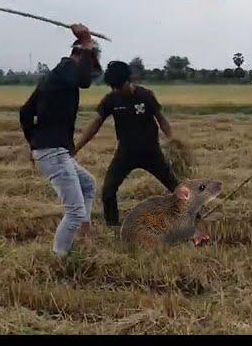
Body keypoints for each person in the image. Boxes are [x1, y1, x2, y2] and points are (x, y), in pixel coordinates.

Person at [19, 24, 101, 258]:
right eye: (91, 63)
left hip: (53, 149)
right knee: (74, 211)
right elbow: (84, 80)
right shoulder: (67, 69)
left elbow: (25, 111)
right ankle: (58, 258)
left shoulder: (57, 76)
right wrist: (87, 41)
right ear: (81, 56)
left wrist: (33, 142)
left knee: (88, 184)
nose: (92, 72)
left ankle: (84, 234)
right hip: (52, 151)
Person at [75, 61, 179, 227]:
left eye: (118, 86)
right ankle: (114, 229)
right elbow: (95, 125)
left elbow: (161, 120)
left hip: (151, 152)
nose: (116, 90)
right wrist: (76, 147)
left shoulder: (145, 96)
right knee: (108, 191)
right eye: (112, 87)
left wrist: (173, 140)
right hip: (126, 153)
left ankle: (196, 218)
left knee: (176, 186)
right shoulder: (111, 100)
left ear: (127, 81)